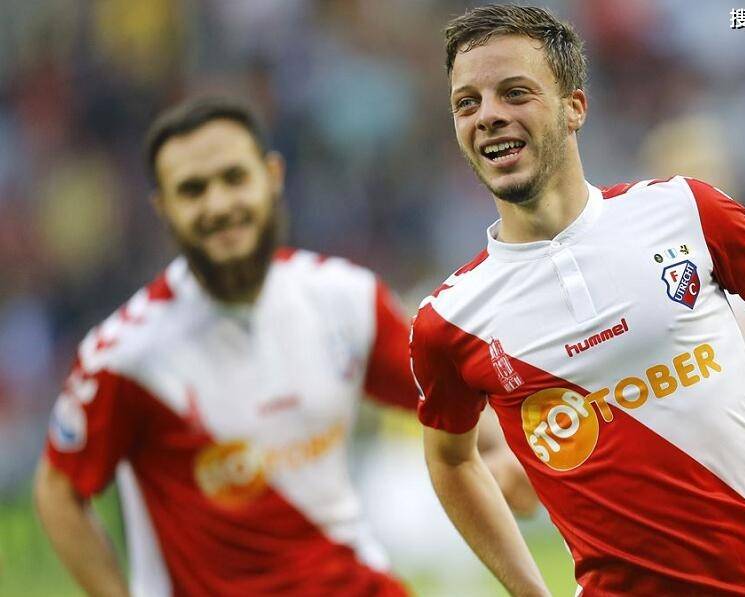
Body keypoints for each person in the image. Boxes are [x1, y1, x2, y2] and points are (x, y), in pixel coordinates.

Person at [410, 5, 745, 596]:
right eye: (467, 103)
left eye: (515, 92)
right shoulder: (450, 319)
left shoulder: (685, 211)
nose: (489, 115)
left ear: (574, 107)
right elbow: (451, 460)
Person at [32, 97, 526, 596]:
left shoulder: (346, 299)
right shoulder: (126, 355)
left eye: (233, 178)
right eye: (193, 190)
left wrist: (505, 456)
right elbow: (58, 490)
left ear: (272, 176)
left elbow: (454, 406)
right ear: (163, 208)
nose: (218, 205)